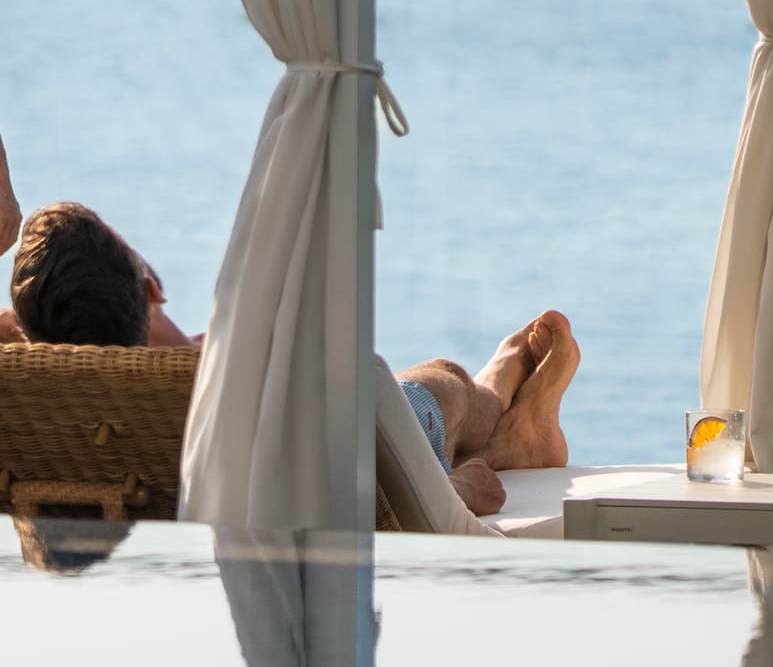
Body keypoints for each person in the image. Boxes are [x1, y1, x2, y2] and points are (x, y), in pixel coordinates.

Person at [0, 202, 579, 521]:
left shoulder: (47, 401)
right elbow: (357, 481)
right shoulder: (241, 376)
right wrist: (454, 487)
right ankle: (495, 402)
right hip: (390, 451)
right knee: (443, 384)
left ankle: (509, 439)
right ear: (150, 286)